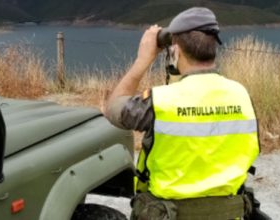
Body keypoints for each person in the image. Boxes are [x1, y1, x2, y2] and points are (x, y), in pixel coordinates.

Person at [105, 7, 261, 220]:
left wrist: (143, 60)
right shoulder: (241, 95)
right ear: (213, 47)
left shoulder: (160, 101)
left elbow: (113, 108)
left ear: (175, 52)